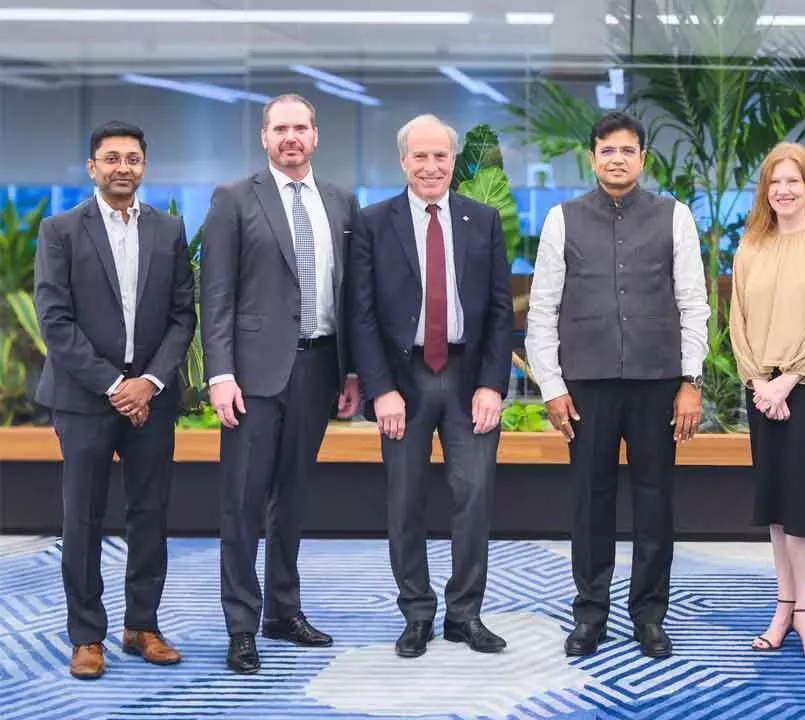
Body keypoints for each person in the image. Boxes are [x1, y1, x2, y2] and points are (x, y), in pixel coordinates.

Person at [525, 110, 709, 659]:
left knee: (655, 503)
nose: (617, 159)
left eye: (628, 150)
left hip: (657, 383)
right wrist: (552, 387)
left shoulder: (675, 217)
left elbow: (694, 304)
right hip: (587, 386)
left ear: (642, 158)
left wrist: (690, 381)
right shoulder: (563, 219)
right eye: (607, 150)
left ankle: (650, 616)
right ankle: (590, 614)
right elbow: (541, 309)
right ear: (593, 156)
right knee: (590, 503)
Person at [200, 94, 361, 674]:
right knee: (242, 504)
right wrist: (220, 374)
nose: (291, 138)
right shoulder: (234, 199)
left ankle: (282, 612)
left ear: (316, 136)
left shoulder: (341, 201)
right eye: (280, 129)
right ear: (264, 138)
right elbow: (215, 295)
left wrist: (350, 370)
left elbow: (350, 295)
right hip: (252, 377)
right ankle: (241, 625)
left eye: (301, 128)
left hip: (319, 369)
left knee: (291, 500)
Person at [348, 114, 514, 659]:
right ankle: (416, 613)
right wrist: (380, 390)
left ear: (452, 160)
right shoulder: (374, 223)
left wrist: (493, 383)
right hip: (404, 380)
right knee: (405, 500)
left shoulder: (481, 220)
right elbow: (362, 315)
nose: (431, 166)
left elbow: (496, 310)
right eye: (419, 157)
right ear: (403, 162)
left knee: (474, 495)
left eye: (440, 156)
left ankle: (465, 614)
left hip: (470, 379)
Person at [34, 121, 196, 679]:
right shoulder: (60, 230)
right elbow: (54, 321)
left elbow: (182, 316)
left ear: (144, 166)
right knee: (82, 516)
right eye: (111, 158)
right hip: (84, 398)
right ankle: (87, 636)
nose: (122, 167)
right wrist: (112, 385)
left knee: (149, 513)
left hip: (151, 395)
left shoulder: (169, 230)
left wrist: (147, 382)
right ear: (92, 168)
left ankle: (142, 625)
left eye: (132, 158)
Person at [729, 143, 805, 663]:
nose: (783, 190)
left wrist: (789, 381)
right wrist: (761, 382)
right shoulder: (750, 244)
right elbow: (737, 319)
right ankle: (783, 606)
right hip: (762, 388)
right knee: (775, 502)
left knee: (800, 501)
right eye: (774, 182)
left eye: (792, 181)